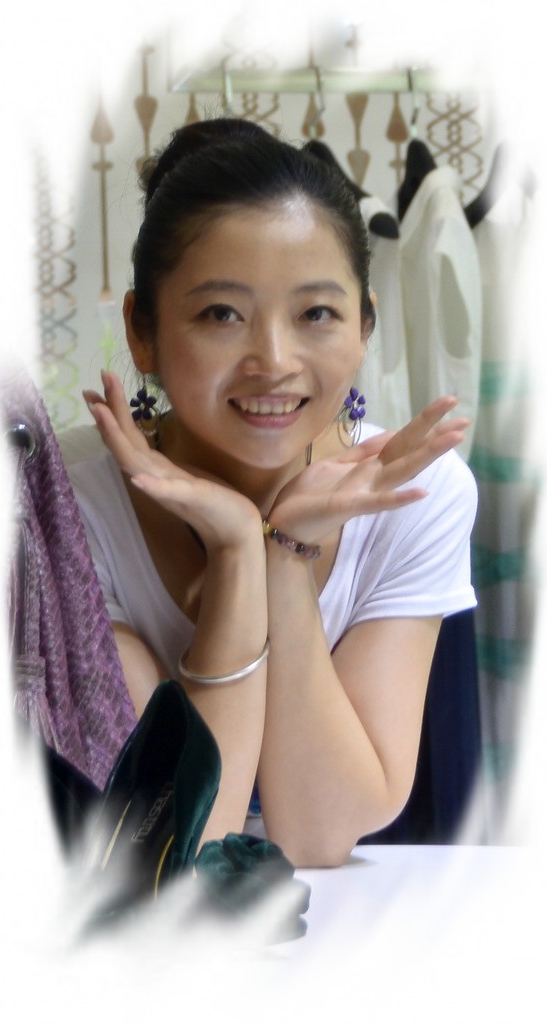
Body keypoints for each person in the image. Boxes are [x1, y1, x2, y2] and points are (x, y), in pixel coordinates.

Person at [65, 117, 477, 869]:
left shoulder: (420, 493)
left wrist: (283, 558)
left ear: (364, 326)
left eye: (316, 313)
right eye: (221, 314)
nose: (274, 361)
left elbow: (318, 835)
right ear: (142, 331)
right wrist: (234, 551)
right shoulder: (65, 501)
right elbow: (179, 843)